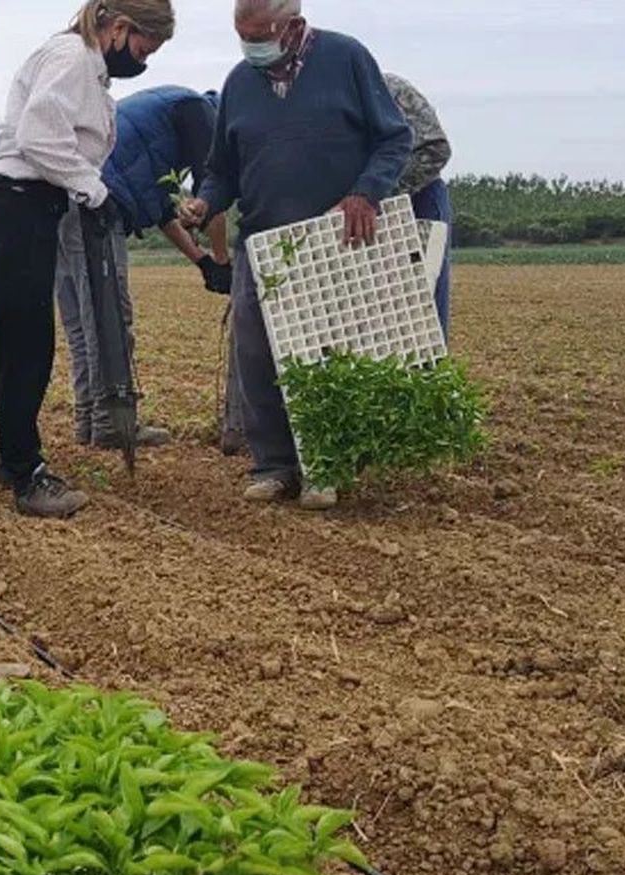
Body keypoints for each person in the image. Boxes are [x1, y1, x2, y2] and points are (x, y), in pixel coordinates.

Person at [180, 0, 411, 511]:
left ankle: (325, 464)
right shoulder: (240, 83)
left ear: (295, 26)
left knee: (330, 351)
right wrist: (204, 201)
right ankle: (274, 465)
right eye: (244, 36)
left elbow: (395, 139)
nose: (251, 47)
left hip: (335, 239)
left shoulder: (347, 60)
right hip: (262, 241)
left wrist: (366, 192)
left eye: (260, 35)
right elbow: (223, 171)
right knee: (258, 354)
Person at [0, 0, 174, 519]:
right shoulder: (72, 57)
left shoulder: (89, 70)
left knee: (20, 344)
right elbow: (38, 136)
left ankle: (11, 459)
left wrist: (88, 192)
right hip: (14, 204)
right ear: (120, 28)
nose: (145, 60)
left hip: (25, 208)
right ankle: (25, 473)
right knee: (26, 346)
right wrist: (94, 190)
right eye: (146, 47)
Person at [58, 85, 231, 449]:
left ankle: (88, 420)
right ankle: (112, 426)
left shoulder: (161, 120)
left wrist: (201, 262)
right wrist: (223, 261)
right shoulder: (200, 112)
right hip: (95, 205)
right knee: (109, 318)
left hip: (60, 200)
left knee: (82, 322)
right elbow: (211, 194)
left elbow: (163, 213)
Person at [385, 72, 454, 336]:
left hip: (418, 198)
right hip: (357, 208)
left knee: (424, 299)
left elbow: (436, 149)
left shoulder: (393, 90)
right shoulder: (321, 107)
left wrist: (379, 193)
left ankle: (428, 372)